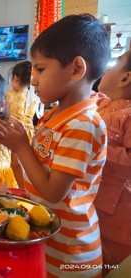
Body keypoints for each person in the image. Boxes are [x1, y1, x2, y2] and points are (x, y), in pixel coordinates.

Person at [0, 14, 111, 277]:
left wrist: (21, 147)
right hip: (49, 239)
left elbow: (53, 192)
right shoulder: (54, 115)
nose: (33, 80)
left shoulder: (83, 125)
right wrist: (17, 142)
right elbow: (41, 168)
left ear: (76, 69)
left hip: (71, 255)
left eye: (40, 69)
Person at [94, 50, 131, 274]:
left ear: (125, 77)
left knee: (112, 266)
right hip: (94, 199)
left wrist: (95, 149)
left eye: (115, 63)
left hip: (118, 211)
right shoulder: (103, 104)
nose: (108, 68)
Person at [5, 60, 38, 187]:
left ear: (15, 78)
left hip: (13, 132)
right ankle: (26, 184)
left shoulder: (8, 95)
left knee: (14, 163)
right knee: (26, 162)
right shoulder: (34, 97)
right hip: (29, 133)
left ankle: (20, 186)